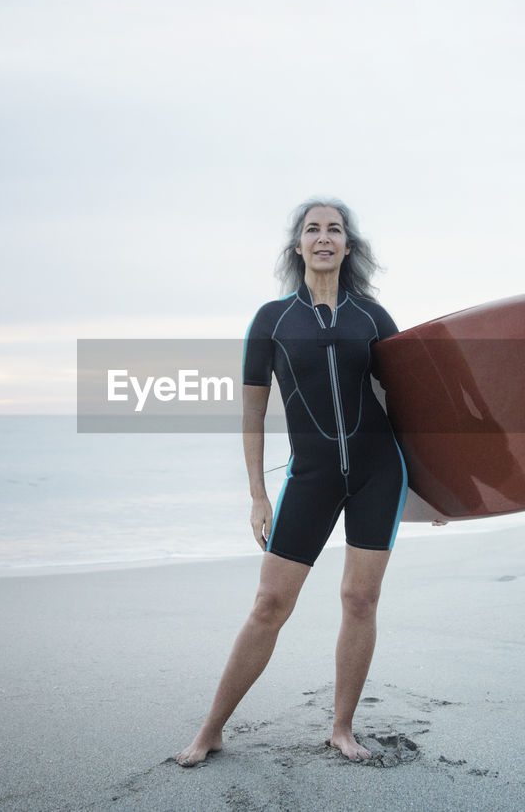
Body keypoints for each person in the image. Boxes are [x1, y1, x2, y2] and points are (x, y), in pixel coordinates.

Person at [175, 199, 408, 766]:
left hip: (380, 471)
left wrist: (440, 486)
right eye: (312, 229)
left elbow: (407, 401)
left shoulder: (372, 318)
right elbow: (253, 412)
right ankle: (211, 729)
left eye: (334, 230)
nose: (323, 237)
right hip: (311, 475)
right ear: (297, 246)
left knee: (360, 597)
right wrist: (257, 493)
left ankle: (342, 727)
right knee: (270, 603)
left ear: (348, 247)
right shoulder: (272, 320)